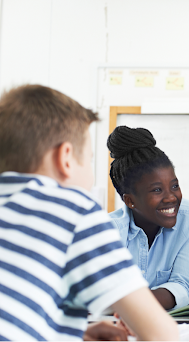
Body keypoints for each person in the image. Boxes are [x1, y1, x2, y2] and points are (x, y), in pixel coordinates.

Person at [0, 85, 178, 341]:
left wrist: (77, 333)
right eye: (90, 158)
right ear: (66, 158)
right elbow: (161, 333)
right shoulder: (72, 210)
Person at [107, 125, 189, 310]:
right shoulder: (108, 232)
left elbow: (183, 285)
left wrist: (135, 303)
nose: (171, 198)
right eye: (157, 190)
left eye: (174, 186)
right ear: (130, 200)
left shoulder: (188, 217)